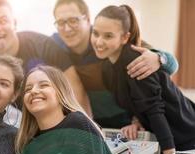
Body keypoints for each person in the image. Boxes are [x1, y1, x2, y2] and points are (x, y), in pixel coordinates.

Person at [91, 5, 195, 154]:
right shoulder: (107, 68)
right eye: (95, 33)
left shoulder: (136, 63)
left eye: (108, 36)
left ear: (125, 37)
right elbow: (136, 101)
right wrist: (136, 120)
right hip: (168, 138)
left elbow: (155, 111)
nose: (99, 41)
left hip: (186, 134)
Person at [52, 0, 179, 134]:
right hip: (96, 125)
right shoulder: (55, 47)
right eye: (61, 22)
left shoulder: (111, 39)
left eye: (73, 20)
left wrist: (159, 58)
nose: (67, 28)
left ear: (87, 19)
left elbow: (172, 64)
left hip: (130, 125)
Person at [9, 66, 126, 154]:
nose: (34, 91)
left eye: (44, 85)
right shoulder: (29, 140)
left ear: (60, 92)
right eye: (28, 89)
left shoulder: (76, 124)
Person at [0, 0, 93, 117]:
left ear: (14, 22)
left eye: (3, 21)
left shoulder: (44, 46)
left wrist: (85, 131)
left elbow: (75, 89)